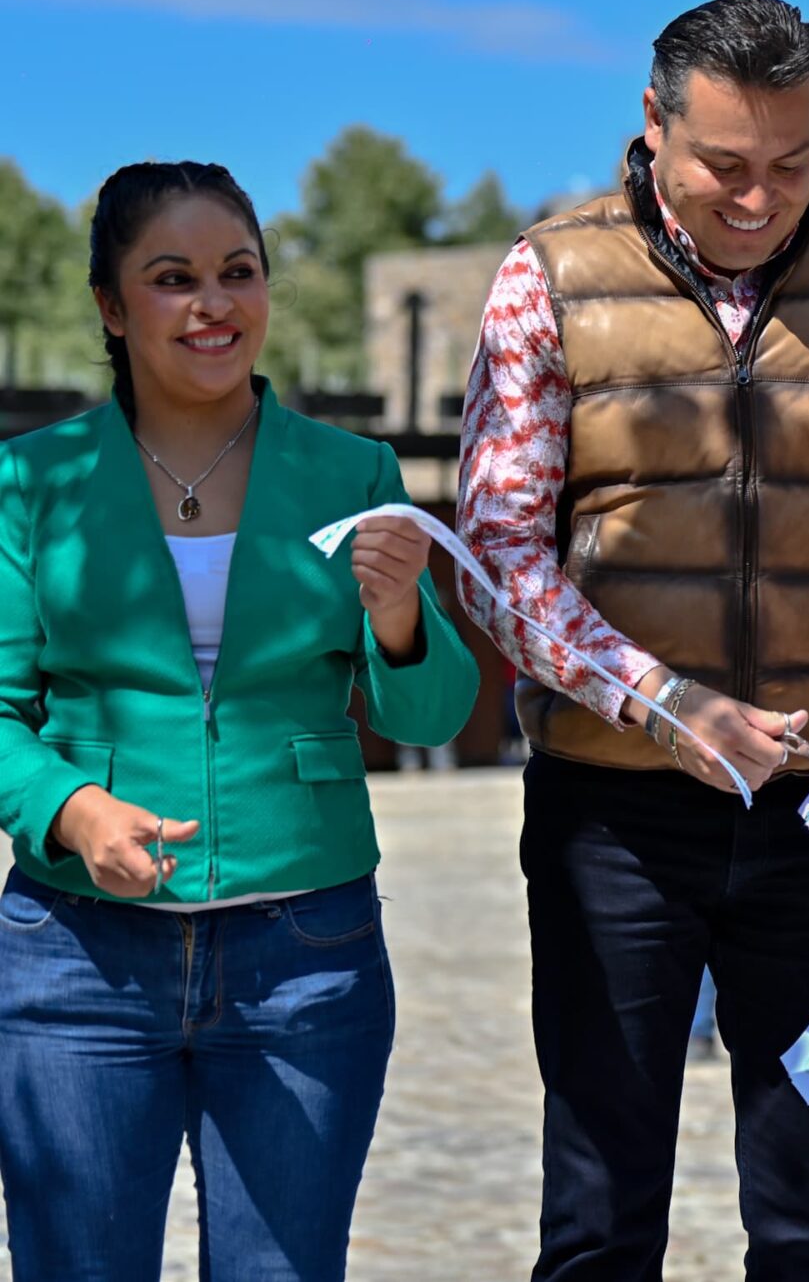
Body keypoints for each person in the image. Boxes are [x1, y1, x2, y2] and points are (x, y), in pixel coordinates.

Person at [457, 0, 809, 1278]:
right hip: (613, 821)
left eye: (793, 163)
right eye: (724, 164)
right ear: (650, 128)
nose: (761, 199)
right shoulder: (545, 277)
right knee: (599, 1226)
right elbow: (496, 552)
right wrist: (667, 704)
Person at [0, 161, 479, 1281]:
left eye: (238, 272)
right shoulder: (27, 483)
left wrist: (400, 611)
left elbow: (426, 709)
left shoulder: (351, 469)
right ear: (113, 308)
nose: (214, 303)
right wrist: (69, 810)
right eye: (172, 279)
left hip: (307, 961)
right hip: (75, 961)